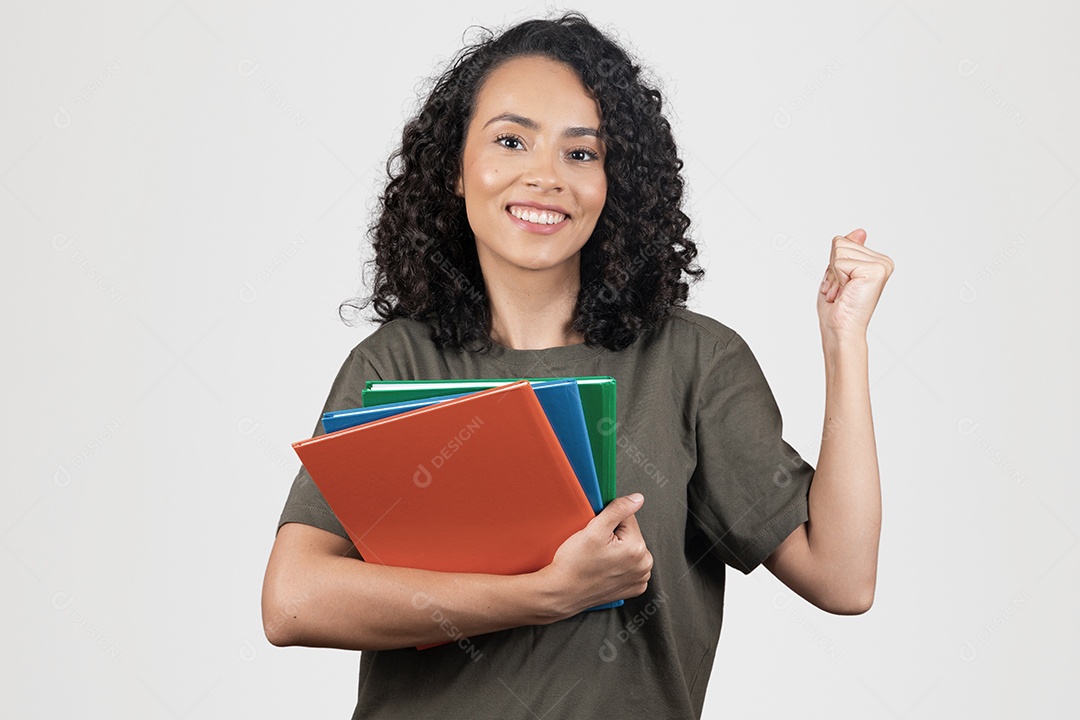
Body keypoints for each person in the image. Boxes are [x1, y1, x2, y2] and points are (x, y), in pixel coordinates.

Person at [262, 12, 892, 720]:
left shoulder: (693, 363)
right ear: (455, 173)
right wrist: (544, 595)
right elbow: (293, 602)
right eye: (510, 140)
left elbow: (841, 577)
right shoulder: (397, 361)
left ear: (614, 183)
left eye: (581, 154)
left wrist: (845, 342)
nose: (545, 177)